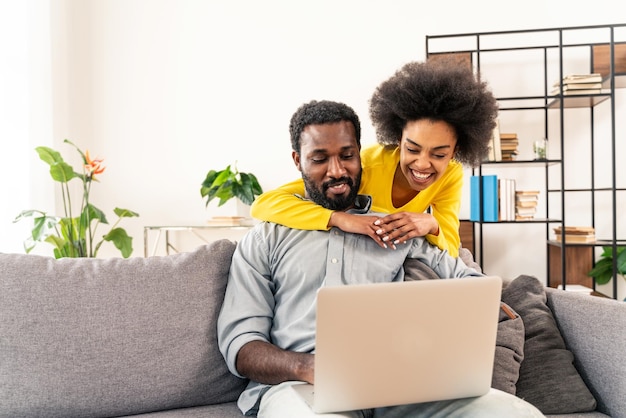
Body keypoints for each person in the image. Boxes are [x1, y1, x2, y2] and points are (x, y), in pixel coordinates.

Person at [217, 100, 543, 418]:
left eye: (347, 156)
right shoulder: (267, 239)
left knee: (513, 412)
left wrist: (468, 302)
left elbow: (470, 283)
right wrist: (306, 366)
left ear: (360, 155)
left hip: (402, 388)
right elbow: (241, 346)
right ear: (297, 160)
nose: (337, 171)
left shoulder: (395, 226)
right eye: (319, 159)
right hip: (303, 390)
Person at [249, 59, 499, 258]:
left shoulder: (450, 174)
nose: (423, 164)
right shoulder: (362, 165)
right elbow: (264, 204)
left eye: (439, 154)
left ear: (454, 152)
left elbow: (452, 248)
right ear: (398, 140)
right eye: (412, 149)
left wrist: (432, 224)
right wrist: (340, 219)